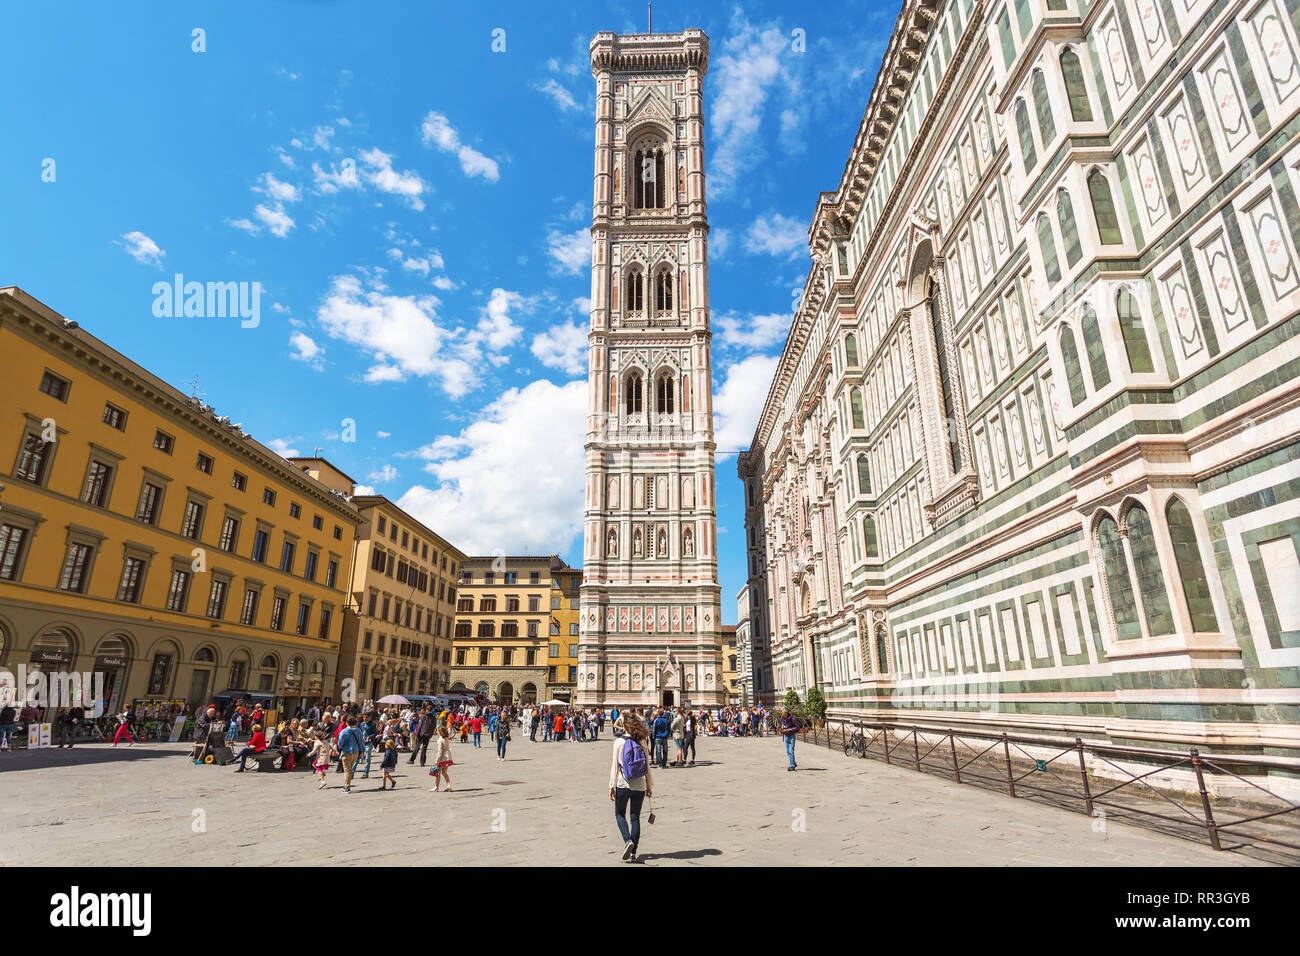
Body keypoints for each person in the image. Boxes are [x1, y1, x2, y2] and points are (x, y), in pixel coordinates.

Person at [609, 714, 654, 863]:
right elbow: (646, 765)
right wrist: (649, 785)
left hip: (624, 783)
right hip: (640, 784)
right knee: (635, 818)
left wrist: (611, 785)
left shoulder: (619, 742)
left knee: (619, 814)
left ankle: (628, 840)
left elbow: (615, 766)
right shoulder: (642, 740)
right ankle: (633, 854)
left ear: (625, 726)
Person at [335, 715, 366, 793]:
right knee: (349, 769)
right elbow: (361, 741)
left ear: (347, 723)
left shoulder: (344, 731)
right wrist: (362, 751)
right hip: (355, 752)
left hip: (346, 752)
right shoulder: (358, 730)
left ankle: (347, 787)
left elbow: (340, 743)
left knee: (347, 770)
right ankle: (347, 784)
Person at [429, 726, 454, 792]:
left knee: (438, 773)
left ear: (441, 732)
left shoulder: (440, 740)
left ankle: (436, 787)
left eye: (438, 731)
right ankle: (449, 786)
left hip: (442, 758)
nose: (437, 732)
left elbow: (440, 751)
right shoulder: (446, 738)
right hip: (448, 756)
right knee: (444, 772)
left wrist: (437, 760)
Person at [780, 707, 800, 771]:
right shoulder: (782, 717)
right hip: (786, 735)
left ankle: (792, 766)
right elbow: (783, 723)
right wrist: (782, 728)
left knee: (791, 750)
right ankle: (793, 762)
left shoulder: (793, 718)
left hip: (791, 735)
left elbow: (797, 727)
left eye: (782, 712)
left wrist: (790, 729)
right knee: (788, 751)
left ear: (786, 713)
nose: (781, 714)